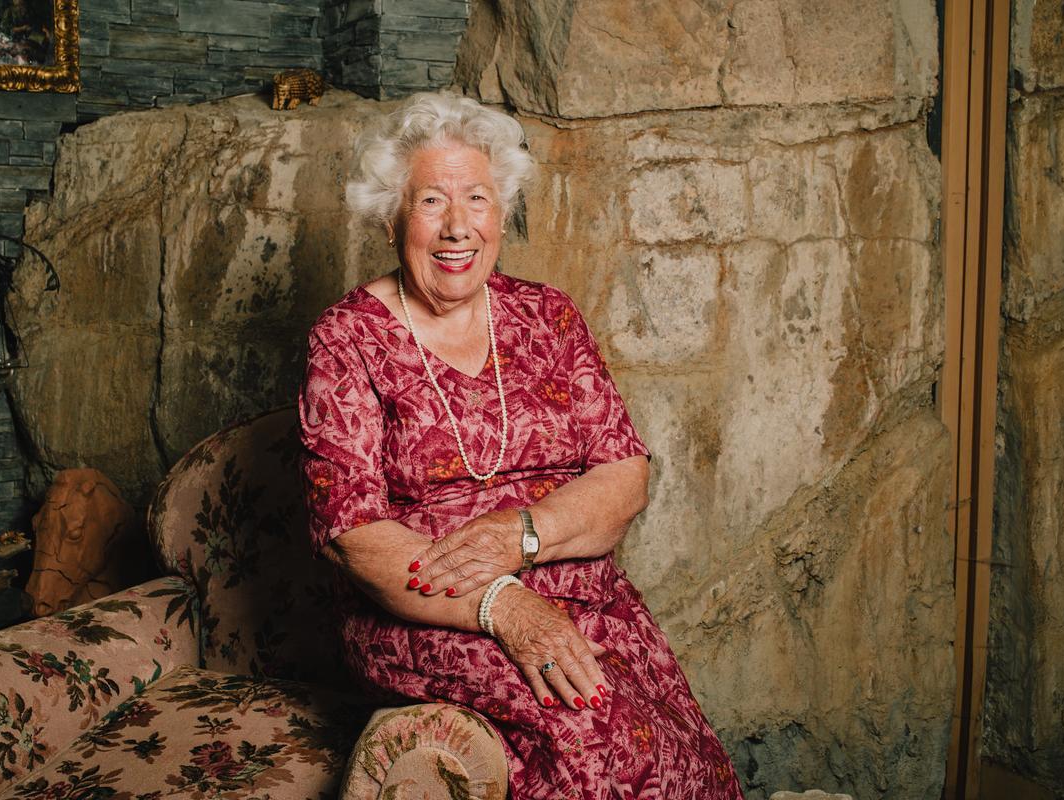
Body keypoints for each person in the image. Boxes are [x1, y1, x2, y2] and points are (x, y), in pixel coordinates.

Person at [298, 90, 744, 799]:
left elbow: (625, 473)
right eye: (431, 202)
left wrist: (523, 537)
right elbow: (353, 535)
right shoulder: (347, 337)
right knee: (591, 733)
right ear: (391, 219)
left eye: (476, 198)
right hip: (435, 613)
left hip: (582, 593)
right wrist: (503, 602)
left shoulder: (548, 315)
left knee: (677, 744)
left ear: (500, 213)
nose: (457, 227)